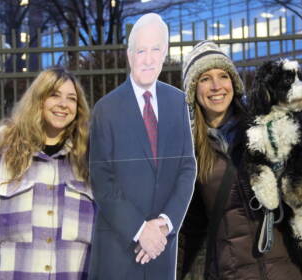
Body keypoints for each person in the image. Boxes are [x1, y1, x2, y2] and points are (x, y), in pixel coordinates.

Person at [178, 41, 302, 280]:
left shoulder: (272, 122)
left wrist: (295, 182)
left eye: (223, 76)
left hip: (289, 269)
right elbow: (189, 226)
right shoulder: (188, 149)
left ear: (233, 82)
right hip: (232, 273)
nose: (216, 87)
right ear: (193, 89)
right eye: (204, 79)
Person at [88, 13, 196, 280]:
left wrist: (165, 225)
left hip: (162, 249)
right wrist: (140, 230)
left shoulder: (178, 103)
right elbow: (101, 180)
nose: (148, 59)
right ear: (129, 55)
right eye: (141, 51)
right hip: (118, 251)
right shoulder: (105, 109)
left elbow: (186, 167)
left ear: (165, 53)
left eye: (155, 50)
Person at [0, 67, 94, 280]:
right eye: (54, 95)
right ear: (38, 99)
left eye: (71, 98)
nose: (63, 104)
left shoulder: (89, 154)